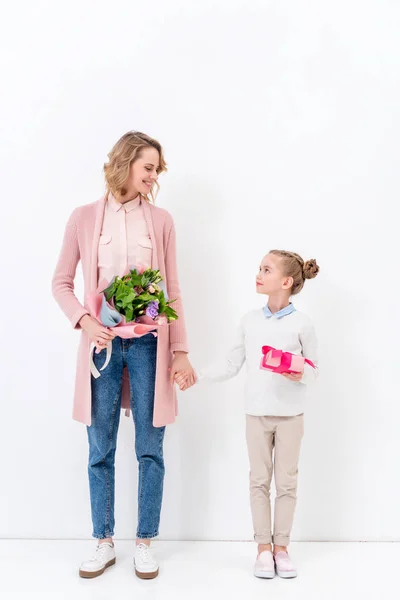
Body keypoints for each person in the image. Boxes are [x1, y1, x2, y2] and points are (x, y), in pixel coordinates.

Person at [52, 131, 195, 579]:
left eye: (156, 170)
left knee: (150, 448)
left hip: (151, 343)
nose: (154, 177)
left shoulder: (163, 221)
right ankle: (104, 540)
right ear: (126, 163)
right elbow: (60, 283)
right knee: (101, 445)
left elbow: (172, 289)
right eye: (148, 167)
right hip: (104, 345)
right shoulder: (82, 218)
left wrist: (180, 351)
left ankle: (145, 543)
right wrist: (85, 321)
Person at [175, 250, 319, 579]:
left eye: (266, 270)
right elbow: (230, 365)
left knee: (286, 484)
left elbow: (314, 369)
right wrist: (196, 373)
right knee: (258, 482)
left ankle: (282, 548)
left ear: (285, 282)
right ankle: (263, 551)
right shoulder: (249, 321)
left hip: (291, 416)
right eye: (259, 268)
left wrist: (300, 373)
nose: (258, 274)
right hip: (256, 414)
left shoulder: (303, 324)